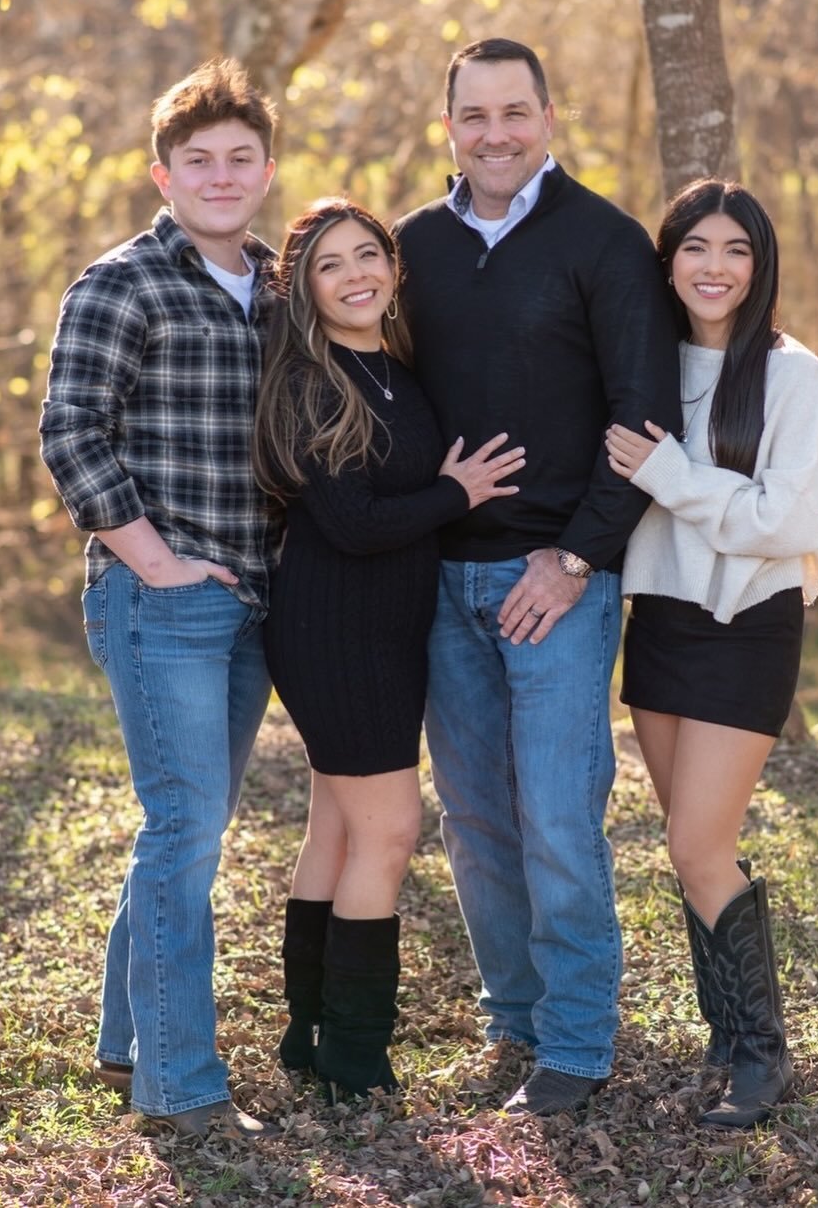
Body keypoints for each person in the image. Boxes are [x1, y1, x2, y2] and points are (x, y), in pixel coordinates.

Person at [393, 38, 682, 1116]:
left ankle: (575, 1043)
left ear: (550, 117)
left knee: (560, 816)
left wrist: (574, 559)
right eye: (475, 115)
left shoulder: (603, 242)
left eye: (516, 111)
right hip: (440, 582)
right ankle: (513, 1019)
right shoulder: (413, 245)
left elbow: (644, 415)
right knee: (474, 819)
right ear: (449, 126)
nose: (496, 133)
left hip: (556, 577)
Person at [39, 58, 281, 1139]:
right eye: (199, 161)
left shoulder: (282, 284)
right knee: (183, 826)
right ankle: (180, 1084)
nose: (221, 176)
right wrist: (155, 560)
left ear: (266, 170)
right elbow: (71, 436)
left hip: (253, 599)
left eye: (240, 158)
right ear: (163, 173)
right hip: (161, 598)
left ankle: (127, 1038)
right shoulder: (120, 283)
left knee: (194, 823)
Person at [253, 197, 526, 1099]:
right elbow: (353, 523)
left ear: (392, 268)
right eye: (331, 264)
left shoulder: (393, 369)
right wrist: (457, 493)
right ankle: (358, 1060)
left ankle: (311, 1039)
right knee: (391, 828)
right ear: (303, 287)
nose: (356, 274)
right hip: (334, 632)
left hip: (384, 632)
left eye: (368, 255)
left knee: (335, 826)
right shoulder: (307, 381)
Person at [606, 177, 818, 1128]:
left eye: (735, 249)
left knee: (699, 844)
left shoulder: (793, 373)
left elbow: (785, 520)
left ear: (758, 264)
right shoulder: (643, 366)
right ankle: (730, 1037)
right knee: (693, 847)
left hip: (749, 625)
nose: (715, 267)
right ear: (668, 262)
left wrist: (671, 475)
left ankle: (762, 1056)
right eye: (695, 247)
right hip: (661, 618)